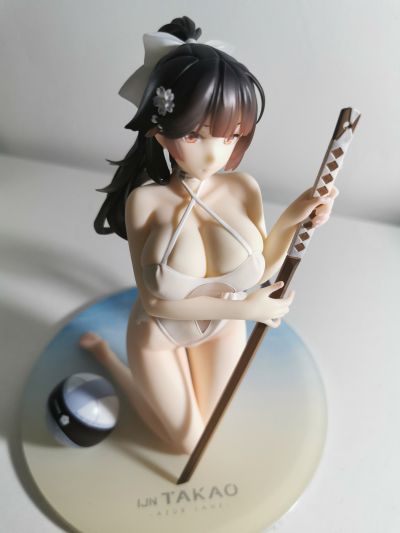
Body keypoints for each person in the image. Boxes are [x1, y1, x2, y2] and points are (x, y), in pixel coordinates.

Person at [79, 16, 337, 454]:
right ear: (160, 131)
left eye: (231, 135)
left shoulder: (243, 188)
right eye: (196, 135)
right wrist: (244, 309)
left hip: (222, 330)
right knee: (187, 442)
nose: (216, 152)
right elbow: (156, 302)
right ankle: (109, 359)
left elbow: (261, 268)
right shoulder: (146, 202)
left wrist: (299, 215)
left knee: (215, 423)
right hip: (159, 337)